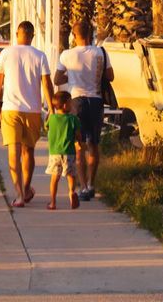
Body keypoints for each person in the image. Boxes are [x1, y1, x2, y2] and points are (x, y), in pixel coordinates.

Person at [0, 21, 53, 208]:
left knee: (13, 151)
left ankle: (19, 195)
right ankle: (26, 189)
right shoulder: (40, 55)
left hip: (10, 109)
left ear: (17, 33)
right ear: (32, 35)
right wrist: (51, 109)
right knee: (28, 152)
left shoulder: (6, 53)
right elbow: (46, 84)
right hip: (33, 110)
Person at [54, 19, 113, 200]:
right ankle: (92, 184)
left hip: (76, 101)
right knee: (93, 144)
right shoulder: (101, 52)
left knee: (78, 145)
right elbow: (110, 76)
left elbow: (56, 79)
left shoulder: (66, 55)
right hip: (95, 100)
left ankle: (83, 186)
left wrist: (71, 78)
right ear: (90, 34)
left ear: (73, 35)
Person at [46, 90, 80, 210]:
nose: (72, 105)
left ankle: (53, 202)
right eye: (71, 103)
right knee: (71, 175)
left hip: (55, 153)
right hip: (69, 153)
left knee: (55, 178)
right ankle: (71, 192)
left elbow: (46, 127)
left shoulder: (52, 119)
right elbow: (78, 135)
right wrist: (79, 142)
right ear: (65, 105)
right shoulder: (73, 119)